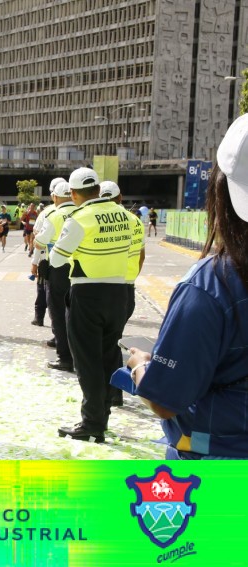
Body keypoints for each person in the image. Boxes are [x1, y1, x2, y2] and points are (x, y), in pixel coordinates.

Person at [127, 114, 248, 459]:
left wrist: (139, 366)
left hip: (219, 464)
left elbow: (165, 402)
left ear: (221, 192)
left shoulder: (212, 286)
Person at [49, 167, 132, 443]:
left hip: (87, 293)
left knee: (87, 360)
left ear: (73, 194)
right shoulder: (125, 215)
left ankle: (92, 423)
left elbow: (57, 259)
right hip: (119, 292)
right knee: (108, 356)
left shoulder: (79, 218)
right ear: (97, 189)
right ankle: (103, 415)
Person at [99, 180, 145, 407]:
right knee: (113, 341)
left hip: (103, 287)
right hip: (126, 288)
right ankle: (113, 392)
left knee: (103, 344)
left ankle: (107, 393)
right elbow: (141, 256)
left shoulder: (97, 219)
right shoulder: (134, 221)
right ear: (120, 198)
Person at [35, 180, 76, 371]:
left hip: (58, 269)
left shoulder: (54, 215)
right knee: (77, 314)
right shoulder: (81, 213)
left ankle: (65, 358)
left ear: (55, 197)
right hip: (80, 270)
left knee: (58, 313)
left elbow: (40, 241)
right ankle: (79, 355)